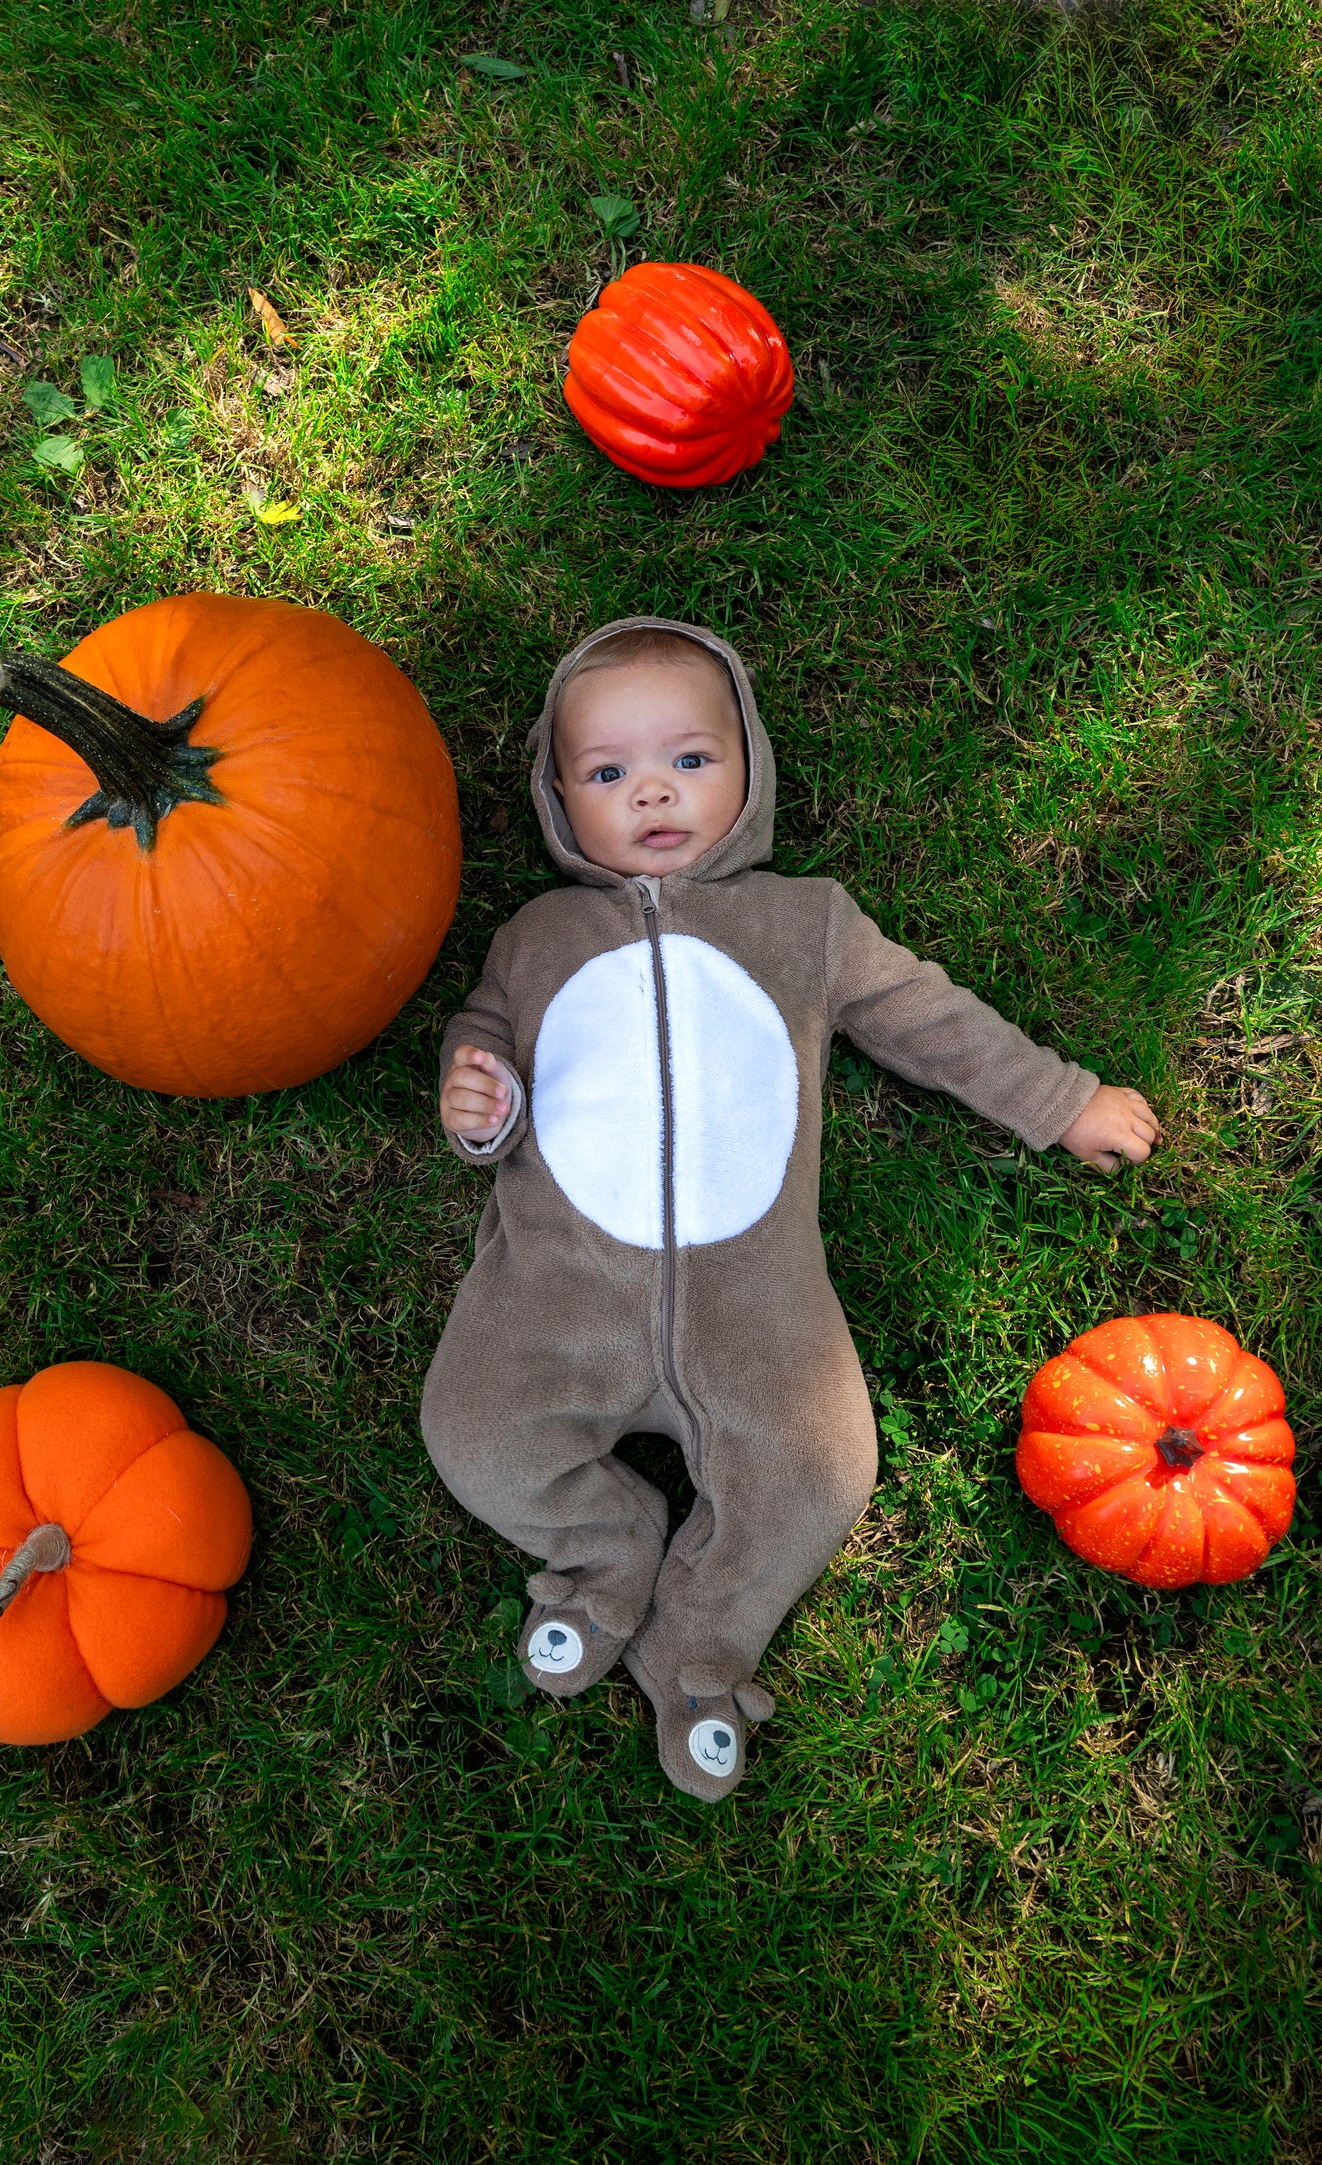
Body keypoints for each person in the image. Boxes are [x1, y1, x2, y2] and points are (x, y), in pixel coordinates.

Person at [422, 618, 1158, 1800]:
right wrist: (477, 1096)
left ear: (749, 768)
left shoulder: (803, 923)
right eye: (607, 773)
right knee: (473, 1428)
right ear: (559, 799)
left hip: (755, 1307)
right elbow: (487, 1044)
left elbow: (930, 1017)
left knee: (819, 1471)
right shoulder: (534, 937)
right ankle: (601, 1549)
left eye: (691, 760)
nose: (651, 788)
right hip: (555, 1293)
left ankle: (698, 1646)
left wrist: (1058, 1099)